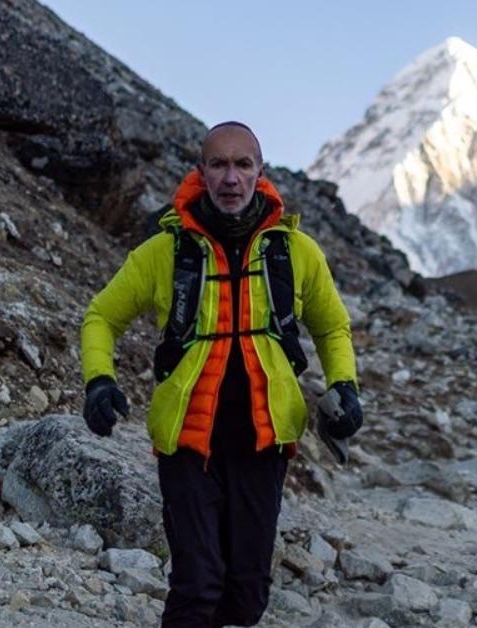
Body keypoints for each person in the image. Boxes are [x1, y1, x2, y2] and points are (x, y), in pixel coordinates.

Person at [80, 121, 361, 627]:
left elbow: (333, 327)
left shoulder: (295, 252)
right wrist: (99, 379)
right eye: (219, 164)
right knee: (197, 582)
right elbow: (102, 316)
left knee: (247, 595)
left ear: (260, 173)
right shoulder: (164, 251)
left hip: (264, 442)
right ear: (201, 172)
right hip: (188, 442)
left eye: (242, 164)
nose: (231, 177)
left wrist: (345, 387)